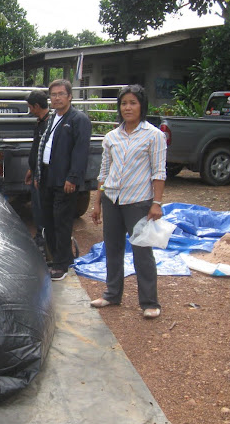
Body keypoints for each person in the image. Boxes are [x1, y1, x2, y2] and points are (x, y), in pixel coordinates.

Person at [90, 84, 167, 319]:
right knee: (112, 249)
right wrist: (97, 202)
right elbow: (104, 172)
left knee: (142, 252)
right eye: (124, 103)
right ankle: (112, 294)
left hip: (139, 203)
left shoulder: (154, 135)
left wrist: (157, 203)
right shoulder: (112, 136)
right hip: (112, 200)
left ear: (142, 106)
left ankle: (149, 302)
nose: (128, 107)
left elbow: (159, 172)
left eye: (133, 102)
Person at [35, 79, 92, 281]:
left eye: (61, 94)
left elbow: (80, 152)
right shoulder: (53, 118)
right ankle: (57, 258)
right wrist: (38, 174)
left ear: (69, 96)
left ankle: (62, 265)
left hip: (65, 180)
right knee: (48, 220)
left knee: (61, 222)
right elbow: (45, 148)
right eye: (53, 94)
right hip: (48, 177)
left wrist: (73, 177)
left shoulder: (78, 119)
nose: (57, 98)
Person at [24, 90, 50, 252]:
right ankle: (40, 237)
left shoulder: (49, 125)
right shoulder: (40, 122)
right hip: (35, 172)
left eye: (30, 107)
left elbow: (46, 154)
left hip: (42, 175)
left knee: (41, 209)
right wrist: (31, 169)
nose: (30, 111)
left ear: (37, 106)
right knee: (36, 207)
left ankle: (43, 241)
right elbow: (37, 150)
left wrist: (38, 175)